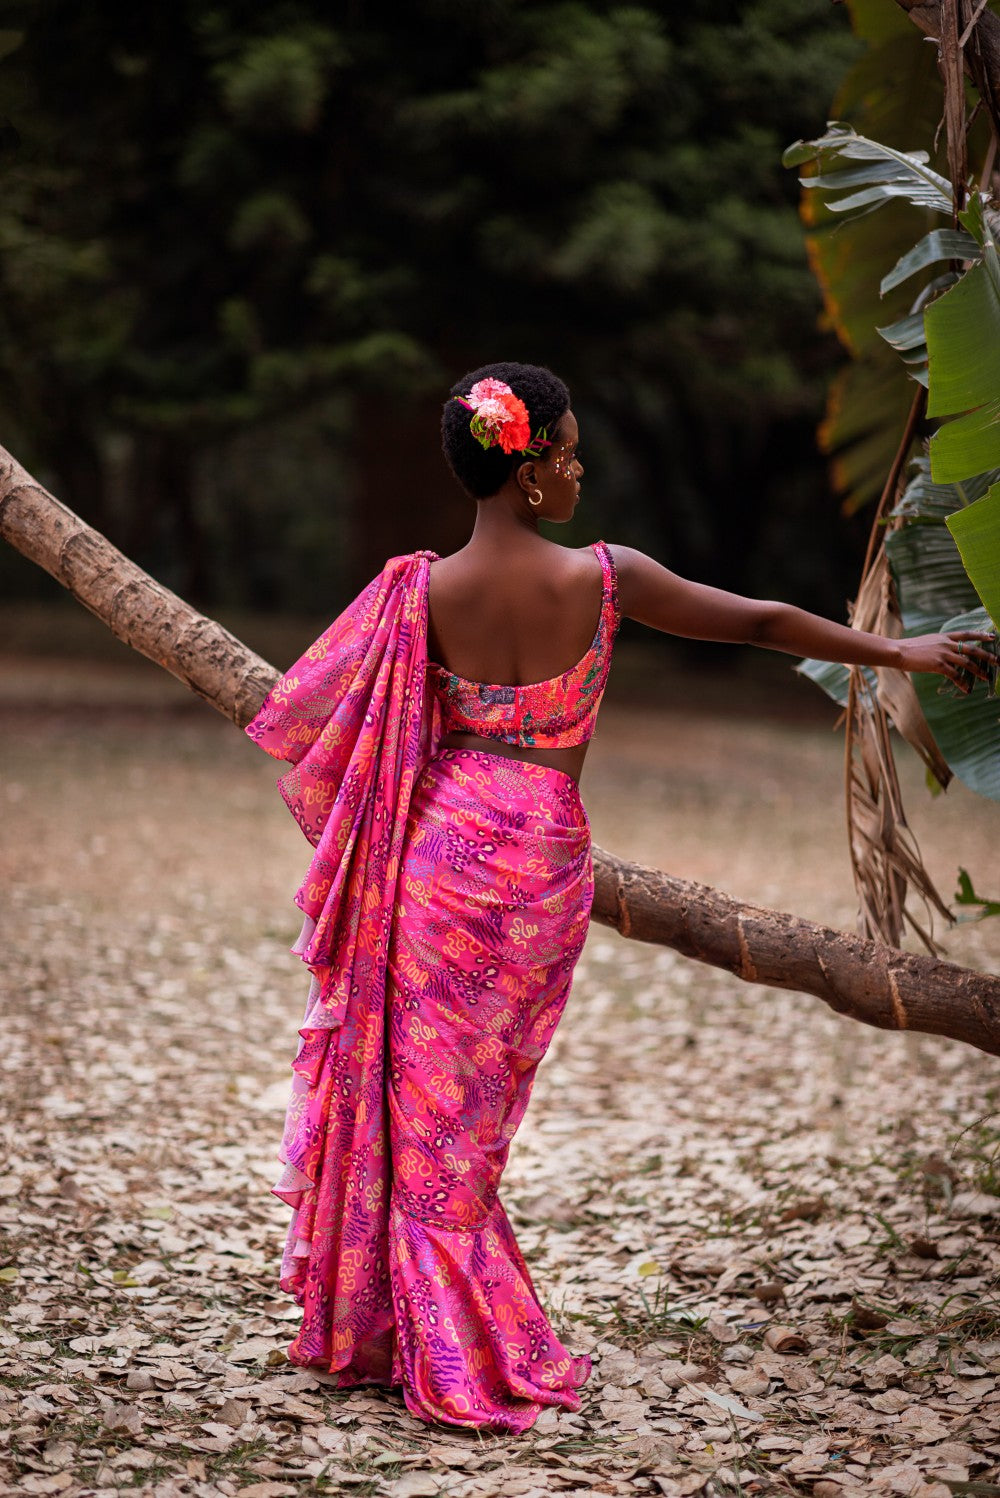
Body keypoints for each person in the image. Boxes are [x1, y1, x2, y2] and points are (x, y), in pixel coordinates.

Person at [244, 361, 994, 1435]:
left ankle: (396, 1328)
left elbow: (314, 707)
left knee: (421, 1106)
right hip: (534, 864)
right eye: (570, 452)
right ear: (531, 467)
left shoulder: (419, 591)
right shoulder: (605, 577)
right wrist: (896, 651)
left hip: (432, 859)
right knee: (473, 1120)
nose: (580, 470)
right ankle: (450, 1343)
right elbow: (760, 623)